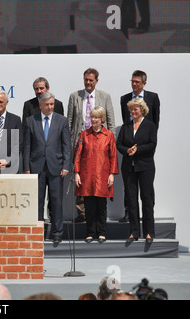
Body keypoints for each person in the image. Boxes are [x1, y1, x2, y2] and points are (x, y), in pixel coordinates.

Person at [67, 68, 116, 223]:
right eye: (86, 79)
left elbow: (111, 122)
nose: (88, 82)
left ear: (96, 81)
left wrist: (109, 141)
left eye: (91, 80)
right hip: (80, 142)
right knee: (80, 177)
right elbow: (69, 122)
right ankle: (82, 213)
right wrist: (69, 143)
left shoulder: (105, 97)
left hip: (100, 143)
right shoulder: (75, 96)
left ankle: (96, 215)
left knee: (97, 178)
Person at [23, 92, 71, 244]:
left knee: (56, 201)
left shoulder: (61, 120)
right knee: (37, 202)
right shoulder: (31, 121)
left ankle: (57, 232)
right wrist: (26, 168)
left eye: (52, 104)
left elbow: (66, 146)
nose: (50, 107)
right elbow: (27, 147)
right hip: (36, 167)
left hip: (56, 166)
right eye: (47, 105)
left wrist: (66, 165)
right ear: (40, 105)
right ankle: (38, 232)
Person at [119, 70, 160, 223]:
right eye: (132, 81)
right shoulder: (124, 99)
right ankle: (129, 214)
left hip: (145, 151)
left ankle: (148, 220)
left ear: (144, 83)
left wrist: (145, 147)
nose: (134, 84)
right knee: (129, 189)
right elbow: (126, 125)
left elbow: (155, 123)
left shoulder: (153, 98)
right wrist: (128, 148)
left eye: (137, 82)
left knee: (147, 190)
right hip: (129, 152)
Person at [74, 106, 119, 244]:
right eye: (92, 117)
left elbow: (113, 156)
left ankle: (101, 233)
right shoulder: (84, 135)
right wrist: (76, 173)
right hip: (87, 175)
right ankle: (90, 232)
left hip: (103, 175)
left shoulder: (109, 135)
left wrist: (112, 174)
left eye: (96, 117)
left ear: (102, 119)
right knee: (89, 205)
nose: (93, 120)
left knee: (101, 205)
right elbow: (77, 156)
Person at [117, 98, 157, 243]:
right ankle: (134, 232)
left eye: (136, 109)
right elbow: (119, 144)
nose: (133, 112)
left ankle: (149, 232)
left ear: (142, 110)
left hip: (145, 167)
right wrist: (127, 150)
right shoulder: (126, 126)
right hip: (129, 167)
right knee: (131, 200)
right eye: (131, 109)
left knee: (147, 199)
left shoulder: (150, 125)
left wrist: (137, 150)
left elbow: (152, 144)